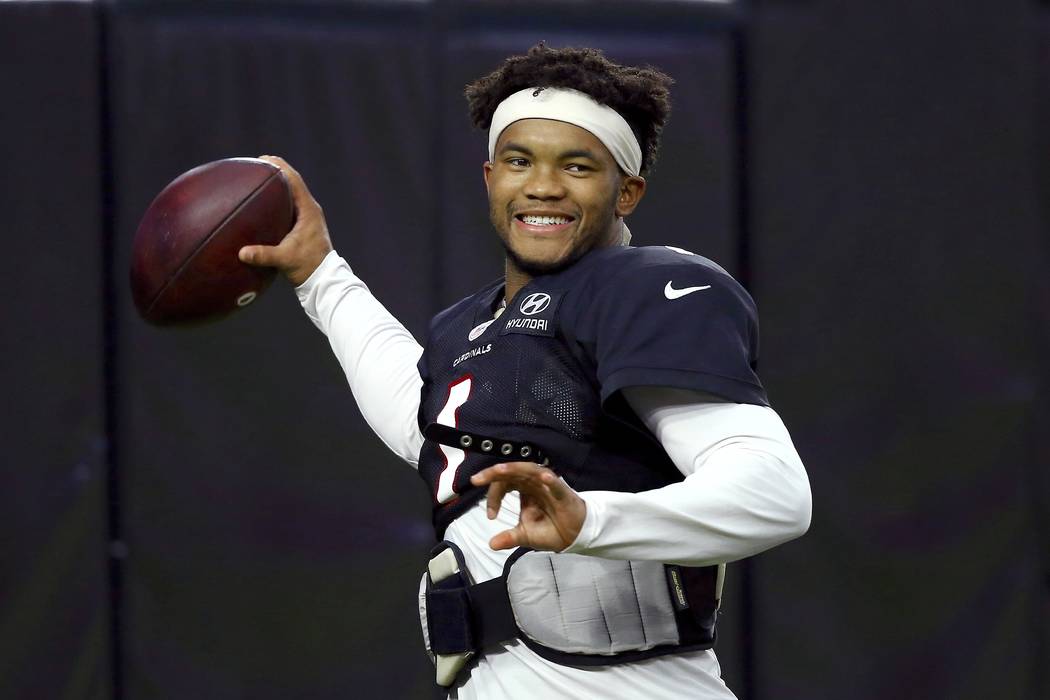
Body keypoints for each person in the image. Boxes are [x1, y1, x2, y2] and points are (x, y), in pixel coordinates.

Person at [239, 44, 811, 700]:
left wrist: (589, 521)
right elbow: (423, 423)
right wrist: (319, 273)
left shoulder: (640, 286)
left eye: (577, 166)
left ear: (627, 191)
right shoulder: (469, 328)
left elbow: (773, 493)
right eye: (519, 161)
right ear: (490, 179)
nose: (542, 186)